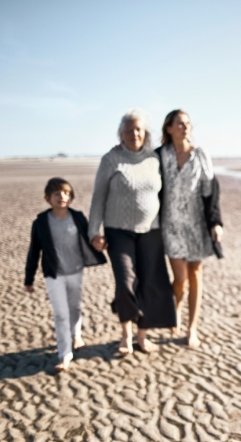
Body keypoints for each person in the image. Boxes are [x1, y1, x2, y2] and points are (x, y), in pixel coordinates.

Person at [89, 110, 176, 355]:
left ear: (145, 133)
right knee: (126, 282)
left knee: (149, 283)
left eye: (138, 129)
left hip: (152, 231)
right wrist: (94, 231)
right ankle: (125, 335)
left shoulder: (153, 158)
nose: (134, 134)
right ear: (121, 134)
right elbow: (98, 198)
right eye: (129, 130)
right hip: (118, 231)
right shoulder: (111, 159)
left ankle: (141, 335)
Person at [156, 109, 223, 348]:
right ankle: (175, 308)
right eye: (179, 124)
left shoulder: (201, 155)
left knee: (195, 275)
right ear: (169, 128)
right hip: (170, 224)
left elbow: (211, 191)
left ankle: (191, 328)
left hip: (197, 224)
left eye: (187, 124)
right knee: (180, 278)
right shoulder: (160, 155)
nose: (184, 127)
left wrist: (216, 223)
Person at [24, 178, 107, 371]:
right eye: (57, 194)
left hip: (75, 271)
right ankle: (65, 354)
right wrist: (29, 278)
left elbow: (89, 238)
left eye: (66, 193)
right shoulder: (41, 222)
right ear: (47, 199)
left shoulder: (77, 217)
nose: (62, 197)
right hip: (54, 274)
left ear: (71, 198)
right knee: (61, 314)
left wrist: (100, 243)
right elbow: (34, 251)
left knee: (75, 306)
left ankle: (76, 335)